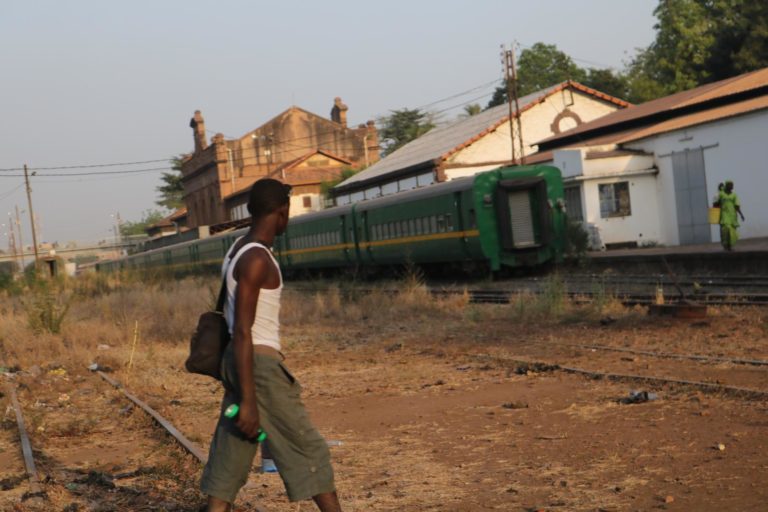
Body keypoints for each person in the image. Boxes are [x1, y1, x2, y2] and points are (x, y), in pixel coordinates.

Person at [201, 179, 341, 512]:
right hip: (257, 366)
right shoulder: (257, 259)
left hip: (241, 363)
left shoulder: (238, 247)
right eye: (287, 213)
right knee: (309, 451)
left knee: (232, 453)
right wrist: (249, 400)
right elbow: (245, 330)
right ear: (281, 212)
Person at [718, 180, 745, 251]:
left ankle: (729, 246)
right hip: (724, 215)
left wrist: (741, 214)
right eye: (730, 185)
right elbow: (716, 204)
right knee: (726, 229)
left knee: (732, 231)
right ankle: (725, 245)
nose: (732, 186)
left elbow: (737, 206)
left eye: (732, 185)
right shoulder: (721, 194)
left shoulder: (734, 195)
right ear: (727, 185)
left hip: (732, 215)